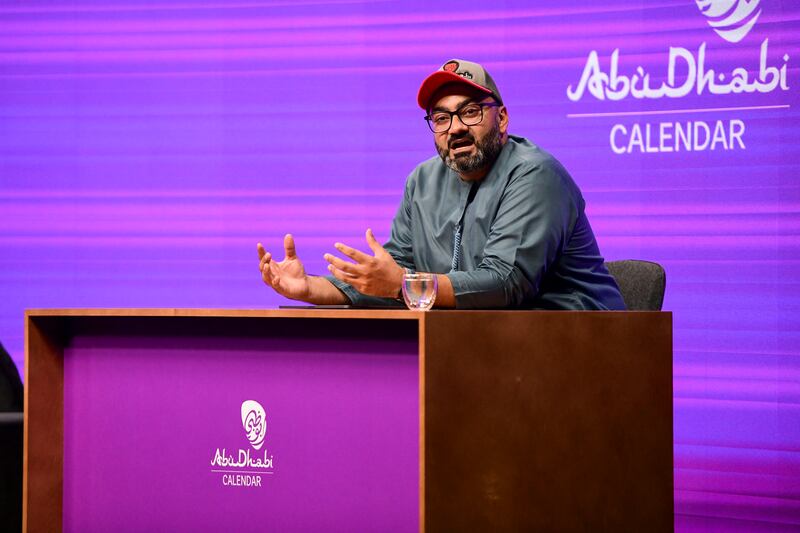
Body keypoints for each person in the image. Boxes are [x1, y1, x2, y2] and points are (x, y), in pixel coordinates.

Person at [257, 59, 625, 310]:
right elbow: (393, 273)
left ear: (503, 119)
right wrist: (311, 288)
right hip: (490, 348)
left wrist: (403, 284)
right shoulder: (422, 182)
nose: (456, 127)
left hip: (584, 347)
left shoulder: (535, 175)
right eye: (441, 117)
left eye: (470, 111)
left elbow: (506, 282)